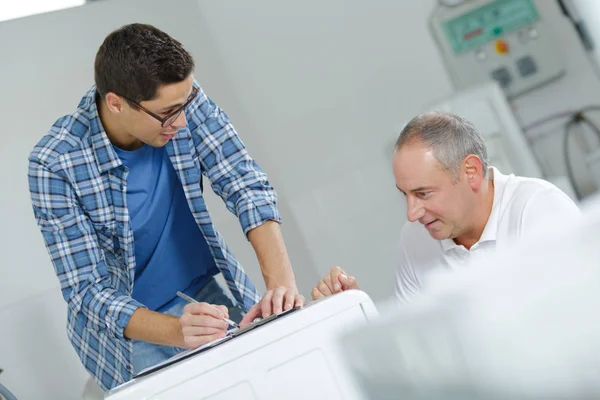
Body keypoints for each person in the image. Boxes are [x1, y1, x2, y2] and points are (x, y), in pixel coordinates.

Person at [28, 23, 303, 391]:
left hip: (202, 295)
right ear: (116, 103)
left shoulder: (180, 98)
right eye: (169, 113)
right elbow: (87, 290)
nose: (184, 121)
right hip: (127, 332)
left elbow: (243, 183)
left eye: (187, 104)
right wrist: (177, 331)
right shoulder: (54, 163)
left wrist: (280, 286)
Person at [312, 111, 580, 303]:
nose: (412, 213)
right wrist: (354, 308)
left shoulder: (538, 209)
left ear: (471, 172)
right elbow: (421, 351)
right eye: (404, 195)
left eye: (423, 193)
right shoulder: (415, 239)